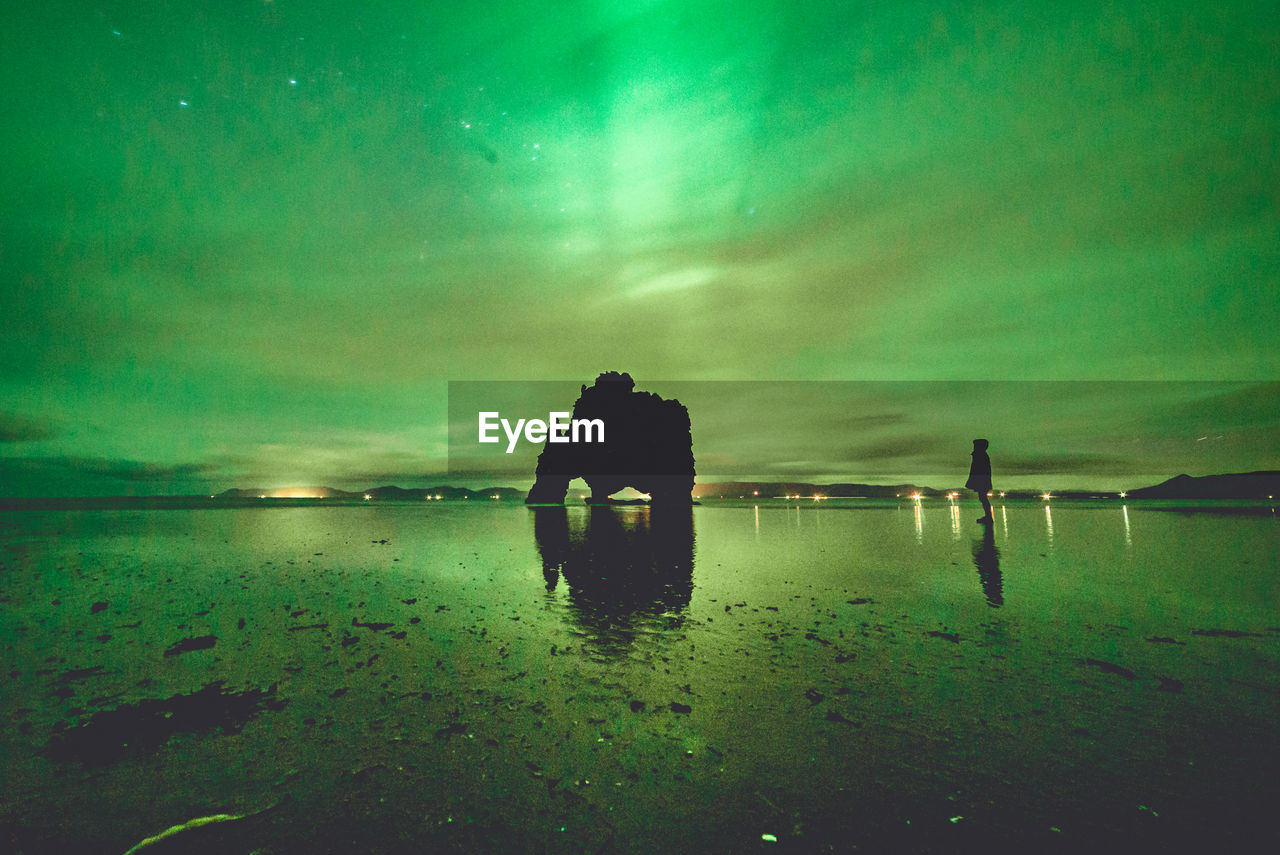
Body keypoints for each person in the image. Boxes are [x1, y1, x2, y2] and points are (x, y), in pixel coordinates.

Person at [966, 438, 993, 524]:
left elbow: (977, 469)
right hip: (983, 479)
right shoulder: (981, 455)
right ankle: (988, 516)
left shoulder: (980, 455)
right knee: (982, 497)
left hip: (982, 480)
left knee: (983, 497)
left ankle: (988, 517)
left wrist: (974, 481)